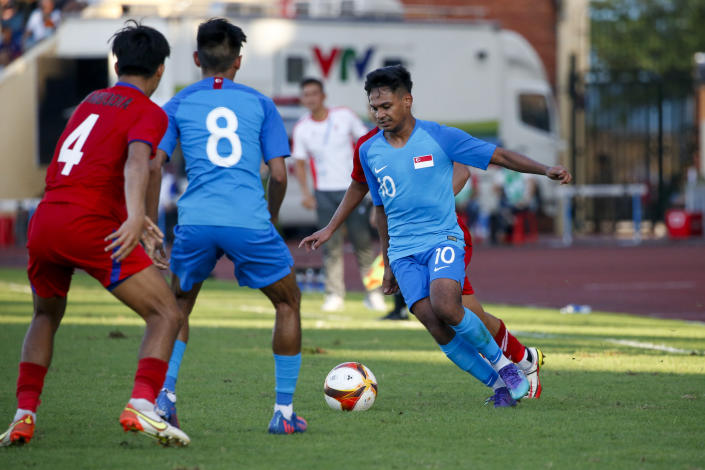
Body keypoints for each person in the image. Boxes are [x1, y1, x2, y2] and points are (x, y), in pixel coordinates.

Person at [303, 65, 571, 405]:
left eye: (386, 106)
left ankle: (509, 368)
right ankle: (499, 384)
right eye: (374, 107)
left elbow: (498, 155)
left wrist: (544, 169)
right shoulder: (367, 149)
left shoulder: (439, 136)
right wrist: (339, 234)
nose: (379, 114)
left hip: (443, 238)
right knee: (435, 322)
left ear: (407, 100)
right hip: (402, 252)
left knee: (447, 303)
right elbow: (372, 201)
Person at [0, 22, 190, 447]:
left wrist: (136, 217)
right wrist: (137, 218)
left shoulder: (89, 101)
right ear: (160, 70)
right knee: (167, 314)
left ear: (117, 64)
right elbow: (139, 163)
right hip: (90, 226)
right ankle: (142, 404)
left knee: (45, 315)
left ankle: (23, 415)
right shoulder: (149, 110)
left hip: (45, 220)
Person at [151, 18, 307, 435]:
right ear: (239, 61)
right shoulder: (261, 103)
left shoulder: (179, 103)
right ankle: (284, 414)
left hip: (196, 220)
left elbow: (153, 164)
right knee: (287, 302)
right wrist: (270, 221)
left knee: (176, 308)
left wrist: (151, 226)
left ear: (197, 58)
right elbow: (277, 175)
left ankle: (164, 399)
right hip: (248, 222)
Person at [292, 78, 385, 312]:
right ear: (303, 100)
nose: (311, 98)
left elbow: (368, 143)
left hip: (353, 189)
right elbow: (300, 164)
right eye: (306, 95)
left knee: (362, 244)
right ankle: (334, 294)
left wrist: (374, 185)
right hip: (323, 192)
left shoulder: (344, 116)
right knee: (329, 246)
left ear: (323, 95)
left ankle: (374, 292)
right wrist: (305, 192)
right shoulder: (302, 127)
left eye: (314, 93)